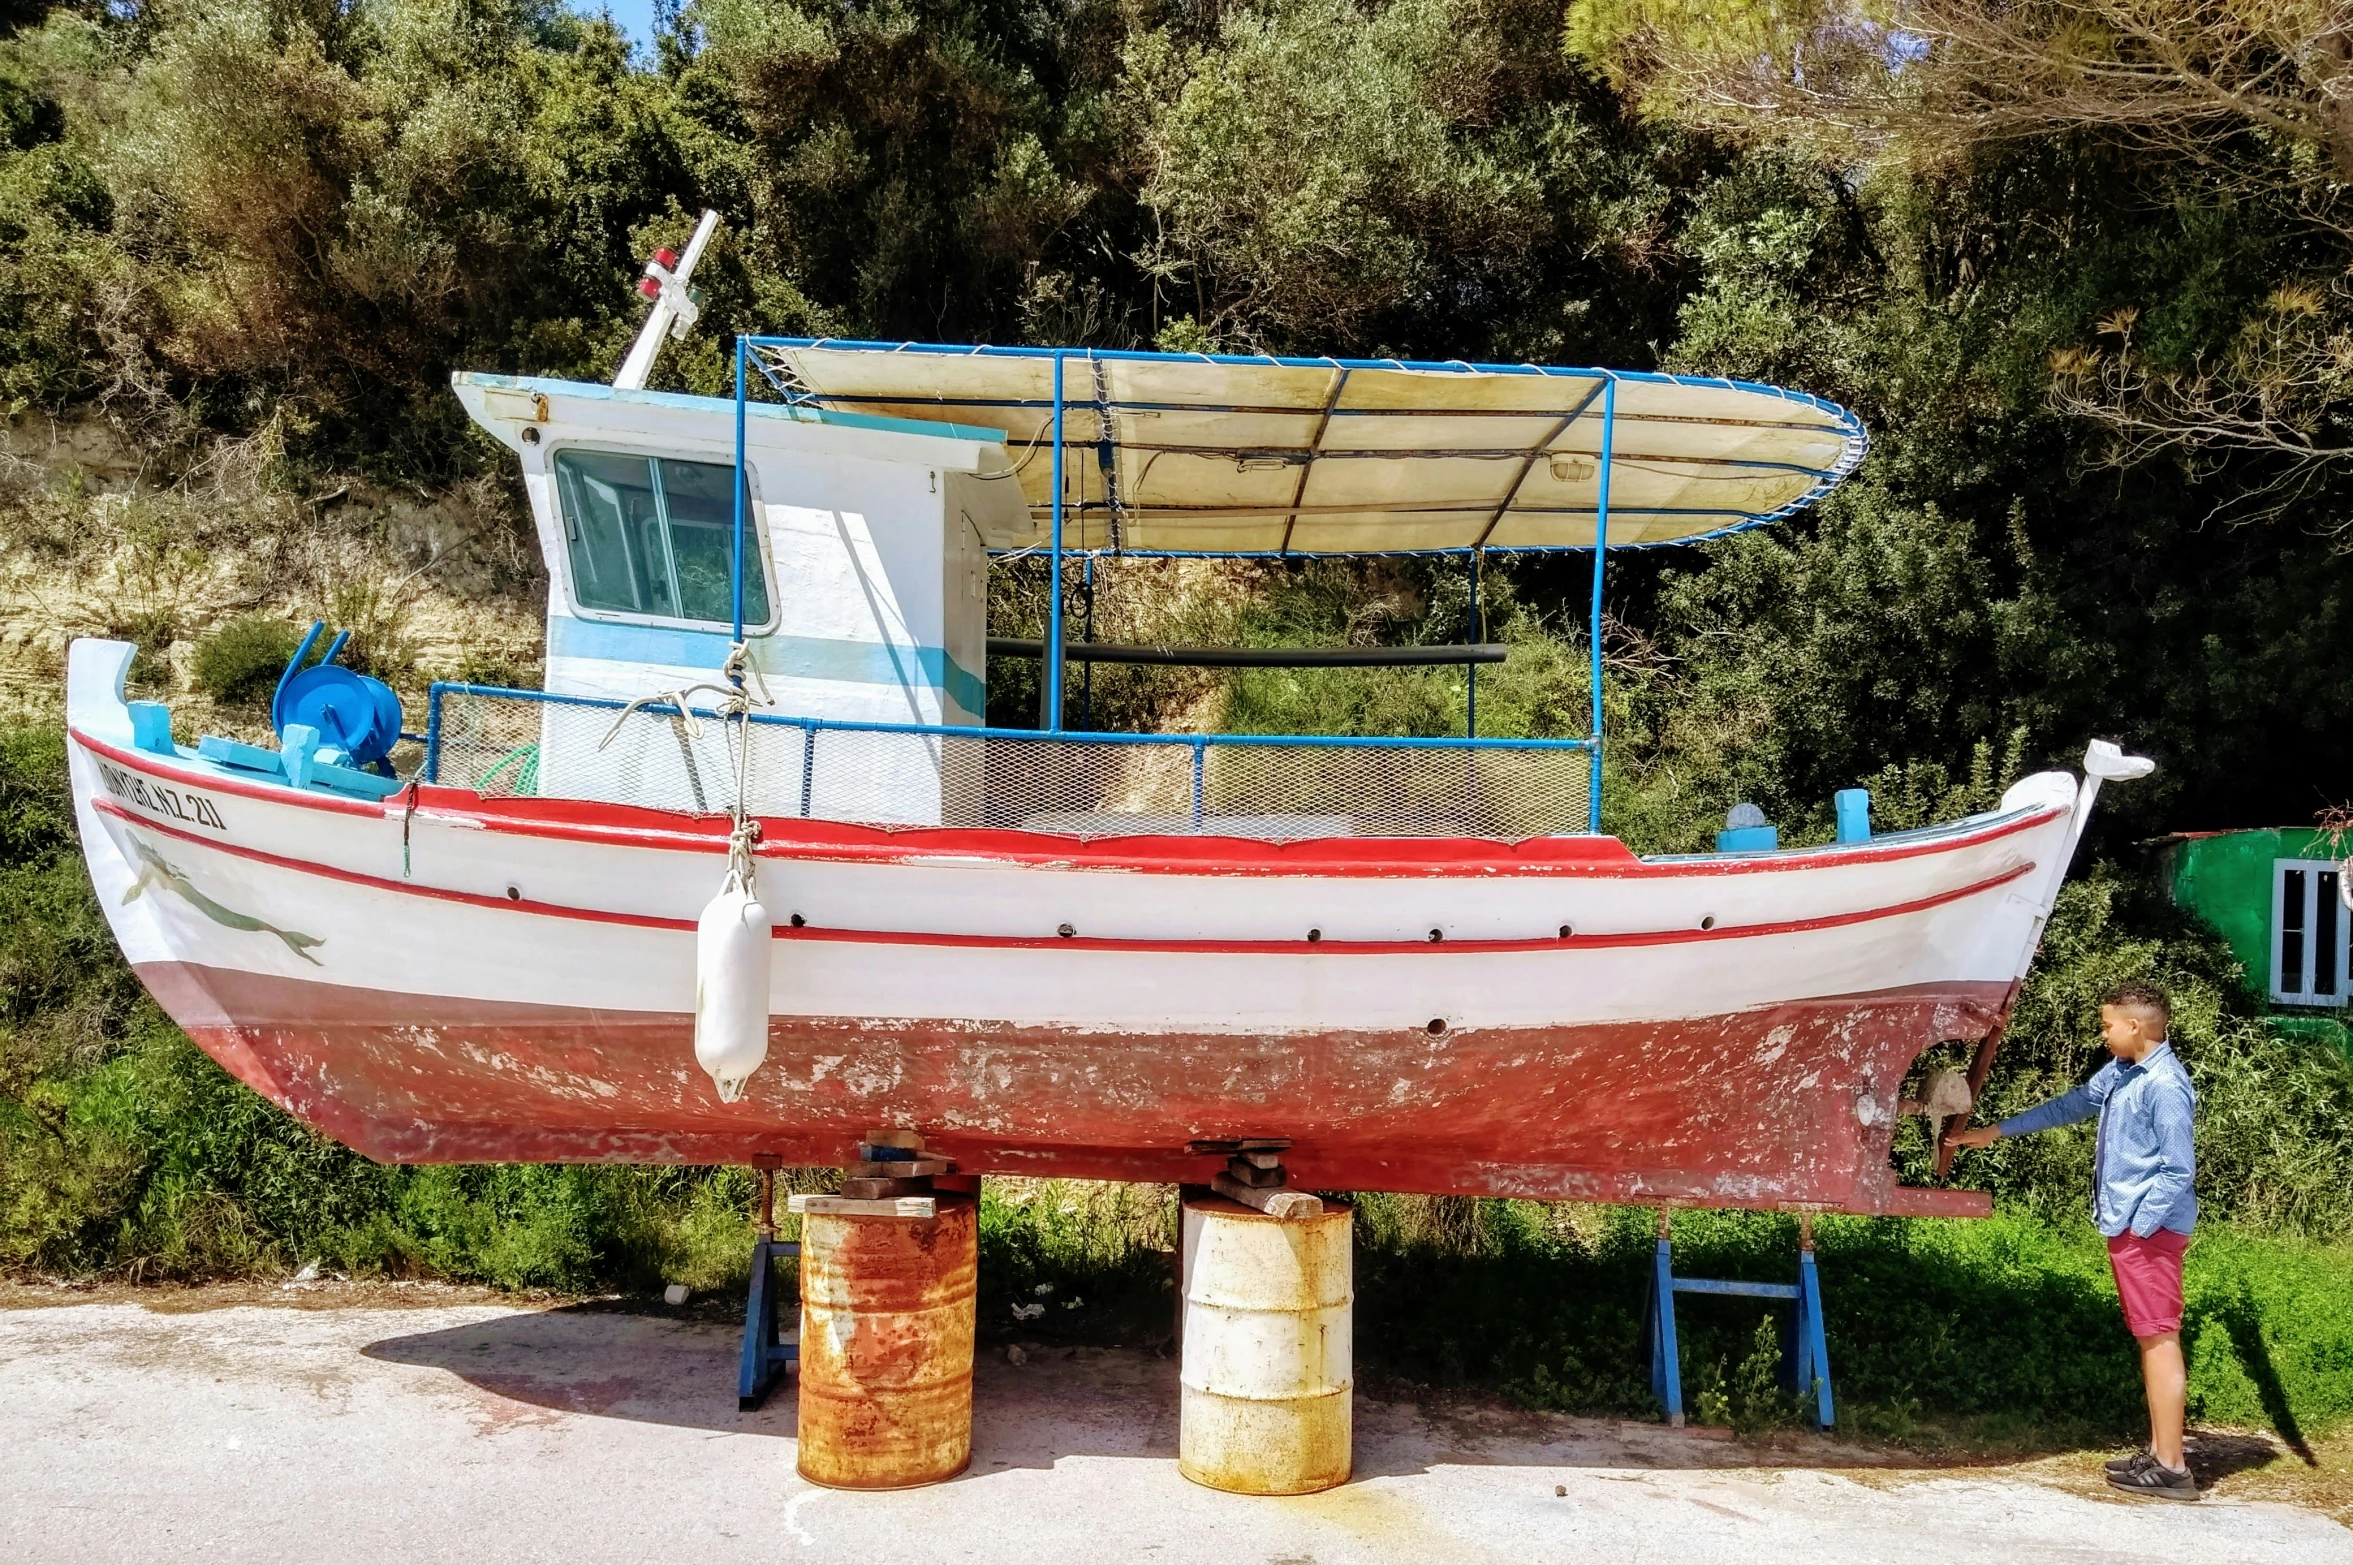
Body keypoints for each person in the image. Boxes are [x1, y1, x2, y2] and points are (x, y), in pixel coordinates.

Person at [1946, 981, 2199, 1501]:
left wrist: (2140, 1225)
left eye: (2108, 1025)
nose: (2103, 1034)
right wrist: (1992, 1132)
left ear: (2134, 1026)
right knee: (2149, 1336)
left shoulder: (2166, 1085)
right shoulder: (2125, 1071)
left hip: (2145, 1230)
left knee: (2158, 1338)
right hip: (2130, 1227)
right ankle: (2158, 1453)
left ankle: (2173, 1467)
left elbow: (2179, 1170)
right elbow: (2073, 1105)